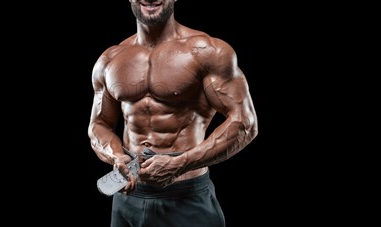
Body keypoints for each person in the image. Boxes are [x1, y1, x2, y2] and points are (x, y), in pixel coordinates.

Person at [88, 0, 258, 226]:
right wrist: (116, 156)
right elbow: (98, 125)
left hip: (186, 196)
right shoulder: (109, 60)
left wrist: (181, 163)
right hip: (127, 197)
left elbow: (244, 122)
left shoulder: (207, 51)